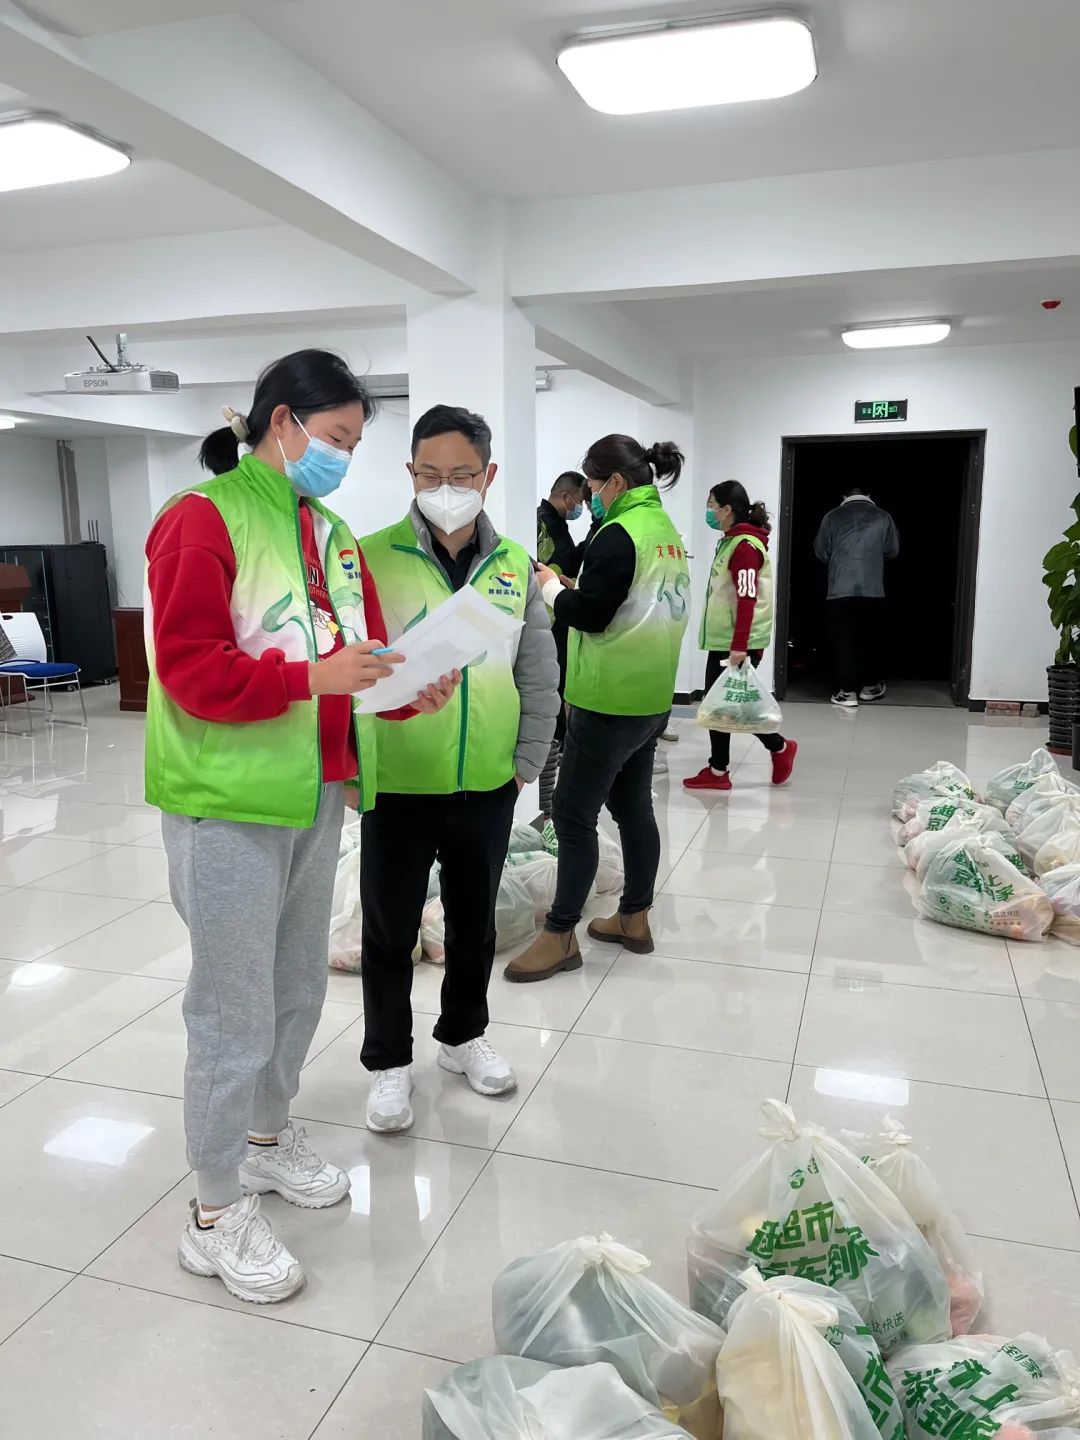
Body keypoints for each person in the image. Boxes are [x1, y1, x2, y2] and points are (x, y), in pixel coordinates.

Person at [146, 350, 459, 1305]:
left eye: (355, 446)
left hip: (320, 791)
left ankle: (267, 1143)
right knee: (230, 1010)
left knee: (293, 994)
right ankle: (210, 1210)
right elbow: (191, 670)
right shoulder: (202, 521)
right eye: (334, 440)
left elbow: (351, 659)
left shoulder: (329, 533)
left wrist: (408, 688)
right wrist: (309, 680)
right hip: (227, 800)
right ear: (281, 422)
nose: (342, 459)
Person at [358, 404, 559, 1132]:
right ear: (410, 473)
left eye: (461, 474)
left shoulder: (512, 566)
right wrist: (352, 769)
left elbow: (539, 665)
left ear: (488, 475)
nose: (445, 487)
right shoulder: (368, 555)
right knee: (389, 930)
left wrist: (527, 759)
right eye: (429, 474)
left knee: (474, 924)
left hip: (487, 779)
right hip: (399, 778)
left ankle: (463, 1037)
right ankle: (386, 1062)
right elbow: (349, 673)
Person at [506, 434, 689, 981]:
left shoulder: (616, 534)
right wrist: (566, 581)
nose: (589, 495)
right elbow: (624, 598)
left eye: (591, 484)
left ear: (613, 481)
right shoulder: (663, 532)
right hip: (651, 698)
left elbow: (592, 616)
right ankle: (634, 917)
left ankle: (560, 935)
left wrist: (549, 590)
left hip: (607, 699)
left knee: (572, 813)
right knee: (634, 808)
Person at [684, 481, 797, 792]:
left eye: (711, 505)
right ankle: (727, 767)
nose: (708, 511)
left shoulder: (745, 547)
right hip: (727, 641)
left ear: (727, 510)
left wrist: (739, 647)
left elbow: (746, 598)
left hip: (736, 644)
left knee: (723, 705)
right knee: (723, 705)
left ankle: (772, 750)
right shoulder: (732, 541)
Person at [814, 485, 899, 707]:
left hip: (839, 589)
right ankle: (870, 687)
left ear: (844, 497)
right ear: (870, 496)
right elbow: (892, 550)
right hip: (873, 589)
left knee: (843, 640)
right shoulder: (884, 517)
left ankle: (846, 692)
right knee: (870, 638)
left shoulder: (831, 517)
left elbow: (821, 551)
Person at [536, 470, 590, 817]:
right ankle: (545, 805)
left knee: (559, 710)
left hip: (560, 623)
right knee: (551, 711)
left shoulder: (559, 525)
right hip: (546, 625)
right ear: (567, 496)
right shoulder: (542, 524)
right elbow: (536, 568)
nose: (581, 508)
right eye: (581, 502)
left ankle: (551, 800)